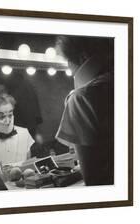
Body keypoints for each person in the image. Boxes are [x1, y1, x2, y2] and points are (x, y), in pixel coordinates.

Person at [55, 35, 114, 186]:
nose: (68, 67)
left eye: (68, 61)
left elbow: (93, 178)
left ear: (83, 57)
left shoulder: (82, 98)